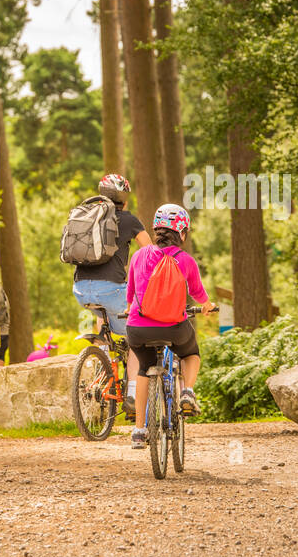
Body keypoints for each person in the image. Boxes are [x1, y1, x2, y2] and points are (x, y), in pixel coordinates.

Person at [124, 204, 218, 449]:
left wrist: (129, 310)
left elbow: (131, 293)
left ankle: (139, 430)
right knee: (191, 353)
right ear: (182, 233)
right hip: (173, 327)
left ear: (156, 230)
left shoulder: (139, 256)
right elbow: (198, 293)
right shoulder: (185, 260)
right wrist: (207, 306)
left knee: (144, 368)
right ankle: (187, 391)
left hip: (138, 328)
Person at [71, 173, 152, 405]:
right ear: (124, 199)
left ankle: (104, 363)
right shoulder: (128, 219)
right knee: (135, 336)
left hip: (80, 289)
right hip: (112, 289)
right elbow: (151, 252)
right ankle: (133, 393)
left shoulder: (86, 214)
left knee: (102, 315)